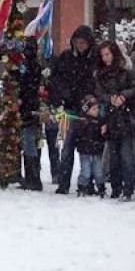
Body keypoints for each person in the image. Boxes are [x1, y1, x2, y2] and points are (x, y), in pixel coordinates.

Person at [50, 26, 97, 194]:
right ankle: (63, 183)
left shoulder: (94, 59)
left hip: (89, 110)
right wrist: (64, 94)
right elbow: (56, 80)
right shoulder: (66, 57)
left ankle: (88, 184)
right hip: (70, 109)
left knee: (88, 150)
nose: (80, 45)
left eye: (83, 42)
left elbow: (96, 82)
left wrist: (90, 97)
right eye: (77, 42)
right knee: (67, 149)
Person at [94, 42, 135, 199]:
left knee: (127, 156)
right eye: (103, 55)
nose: (105, 58)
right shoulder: (100, 73)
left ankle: (128, 188)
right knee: (113, 157)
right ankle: (116, 187)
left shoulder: (127, 69)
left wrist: (123, 96)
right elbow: (99, 92)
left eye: (107, 54)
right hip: (111, 117)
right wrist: (110, 98)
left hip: (126, 116)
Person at [19, 37, 43, 191]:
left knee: (29, 142)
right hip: (34, 106)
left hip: (28, 107)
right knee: (34, 141)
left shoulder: (27, 66)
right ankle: (33, 176)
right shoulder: (37, 66)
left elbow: (24, 85)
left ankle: (32, 177)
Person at [74, 96, 106, 197]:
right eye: (94, 109)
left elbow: (103, 136)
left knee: (99, 172)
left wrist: (104, 134)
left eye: (97, 108)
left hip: (96, 151)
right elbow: (78, 135)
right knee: (85, 171)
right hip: (85, 151)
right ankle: (81, 188)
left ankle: (101, 188)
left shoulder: (100, 121)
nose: (97, 111)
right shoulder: (82, 121)